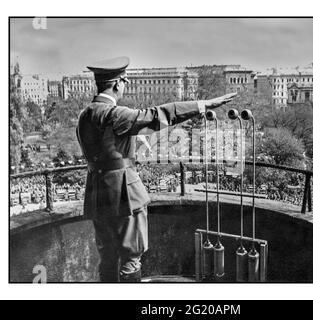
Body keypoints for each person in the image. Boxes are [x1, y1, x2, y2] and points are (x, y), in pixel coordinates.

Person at [76, 56, 236, 282]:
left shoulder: (84, 116)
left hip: (97, 196)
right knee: (131, 258)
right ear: (118, 83)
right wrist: (203, 105)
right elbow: (156, 115)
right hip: (124, 197)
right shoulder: (113, 114)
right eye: (125, 82)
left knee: (108, 258)